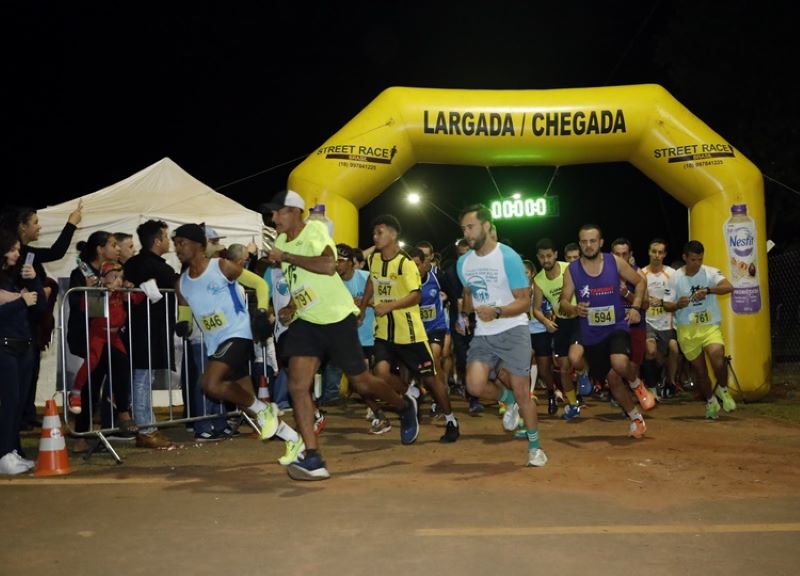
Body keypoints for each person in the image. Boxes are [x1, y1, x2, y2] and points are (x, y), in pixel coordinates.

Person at [262, 189, 419, 481]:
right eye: (271, 213)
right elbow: (300, 281)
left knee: (362, 382)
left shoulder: (315, 232)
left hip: (337, 318)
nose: (273, 218)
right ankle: (313, 456)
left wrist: (285, 256)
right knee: (298, 386)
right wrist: (293, 306)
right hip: (307, 321)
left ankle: (403, 405)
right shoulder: (282, 240)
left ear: (295, 211)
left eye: (278, 211)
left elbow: (327, 266)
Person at [172, 224, 307, 464]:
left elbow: (260, 285)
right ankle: (294, 439)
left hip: (238, 333)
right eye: (175, 243)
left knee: (210, 383)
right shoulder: (181, 283)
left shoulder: (221, 267)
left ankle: (266, 410)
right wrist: (183, 324)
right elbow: (185, 310)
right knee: (248, 403)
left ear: (198, 245)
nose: (177, 247)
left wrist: (262, 312)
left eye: (182, 242)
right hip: (216, 343)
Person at [456, 204, 547, 467]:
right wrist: (464, 316)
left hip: (512, 330)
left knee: (522, 391)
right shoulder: (464, 262)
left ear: (486, 226)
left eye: (471, 227)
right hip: (484, 334)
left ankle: (534, 447)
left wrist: (496, 311)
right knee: (474, 386)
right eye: (463, 229)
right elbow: (468, 295)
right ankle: (506, 400)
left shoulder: (508, 257)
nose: (467, 233)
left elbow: (523, 301)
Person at [559, 224, 653, 439]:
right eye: (584, 241)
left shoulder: (614, 262)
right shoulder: (572, 270)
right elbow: (562, 302)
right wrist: (574, 308)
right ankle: (636, 418)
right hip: (591, 335)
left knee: (620, 363)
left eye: (593, 241)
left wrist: (636, 308)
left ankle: (638, 385)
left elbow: (640, 282)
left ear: (600, 242)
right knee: (613, 380)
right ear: (580, 243)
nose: (588, 245)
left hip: (617, 327)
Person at [1, 201, 82, 429]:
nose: (40, 227)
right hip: (14, 327)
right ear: (21, 226)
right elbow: (55, 253)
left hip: (31, 324)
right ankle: (16, 423)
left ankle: (25, 414)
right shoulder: (15, 259)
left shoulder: (27, 257)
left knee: (30, 371)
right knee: (16, 381)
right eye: (35, 223)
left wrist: (43, 290)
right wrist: (71, 224)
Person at [68, 261, 140, 452]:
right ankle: (78, 396)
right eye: (114, 277)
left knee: (106, 374)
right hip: (98, 338)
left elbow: (139, 299)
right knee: (101, 371)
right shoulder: (97, 291)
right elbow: (85, 308)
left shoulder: (120, 293)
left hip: (114, 337)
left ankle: (116, 403)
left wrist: (131, 290)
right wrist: (98, 292)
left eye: (120, 277)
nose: (118, 281)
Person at [662, 240, 737, 418]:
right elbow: (666, 305)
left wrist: (709, 291)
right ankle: (711, 402)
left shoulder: (710, 272)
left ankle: (723, 390)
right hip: (687, 331)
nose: (697, 263)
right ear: (684, 258)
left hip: (709, 325)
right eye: (693, 259)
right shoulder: (674, 278)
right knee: (701, 371)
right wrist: (677, 304)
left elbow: (728, 287)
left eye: (700, 260)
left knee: (717, 356)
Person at [123, 220, 178, 450]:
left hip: (149, 330)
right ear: (157, 241)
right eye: (166, 237)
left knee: (145, 378)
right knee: (142, 379)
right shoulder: (150, 266)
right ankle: (146, 429)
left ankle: (148, 427)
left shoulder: (139, 263)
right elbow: (177, 281)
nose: (169, 242)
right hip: (143, 331)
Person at [0, 229, 45, 474]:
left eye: (19, 249)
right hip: (4, 347)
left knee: (18, 405)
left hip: (24, 347)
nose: (18, 254)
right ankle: (5, 454)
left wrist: (35, 280)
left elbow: (40, 308)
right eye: (13, 249)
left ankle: (12, 451)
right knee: (10, 402)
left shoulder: (16, 277)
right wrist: (20, 301)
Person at [532, 238, 591, 418]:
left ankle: (583, 371)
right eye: (542, 257)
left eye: (549, 255)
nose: (546, 260)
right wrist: (546, 322)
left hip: (578, 319)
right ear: (538, 258)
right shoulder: (539, 280)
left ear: (556, 255)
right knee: (563, 368)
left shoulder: (569, 268)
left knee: (574, 358)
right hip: (561, 323)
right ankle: (573, 405)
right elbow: (535, 309)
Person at [610, 237, 653, 405]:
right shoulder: (605, 274)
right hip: (614, 327)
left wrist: (627, 294)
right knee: (616, 365)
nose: (621, 257)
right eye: (617, 254)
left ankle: (630, 394)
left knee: (633, 366)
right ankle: (618, 395)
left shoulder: (639, 274)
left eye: (624, 254)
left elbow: (646, 304)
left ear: (630, 254)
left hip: (636, 325)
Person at [641, 238, 680, 398]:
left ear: (664, 254)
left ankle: (670, 383)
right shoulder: (642, 274)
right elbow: (636, 300)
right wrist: (646, 301)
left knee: (674, 349)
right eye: (654, 252)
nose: (657, 255)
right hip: (649, 322)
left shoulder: (672, 274)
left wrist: (662, 303)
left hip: (668, 323)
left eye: (660, 252)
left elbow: (678, 302)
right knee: (651, 351)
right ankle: (651, 387)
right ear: (649, 252)